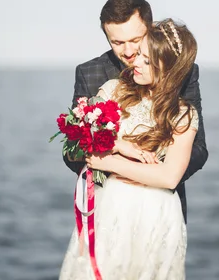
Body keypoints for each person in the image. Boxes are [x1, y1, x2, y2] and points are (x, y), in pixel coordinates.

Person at [59, 18, 199, 279]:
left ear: (169, 71)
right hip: (111, 204)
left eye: (147, 61)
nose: (135, 62)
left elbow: (169, 177)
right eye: (140, 55)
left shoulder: (182, 114)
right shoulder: (114, 90)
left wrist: (111, 163)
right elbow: (79, 138)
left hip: (156, 212)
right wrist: (120, 145)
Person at [62, 0, 208, 223]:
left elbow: (199, 148)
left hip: (162, 205)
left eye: (136, 40)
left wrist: (153, 176)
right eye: (117, 42)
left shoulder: (184, 71)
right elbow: (72, 151)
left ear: (150, 29)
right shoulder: (91, 74)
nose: (129, 52)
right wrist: (114, 162)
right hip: (107, 205)